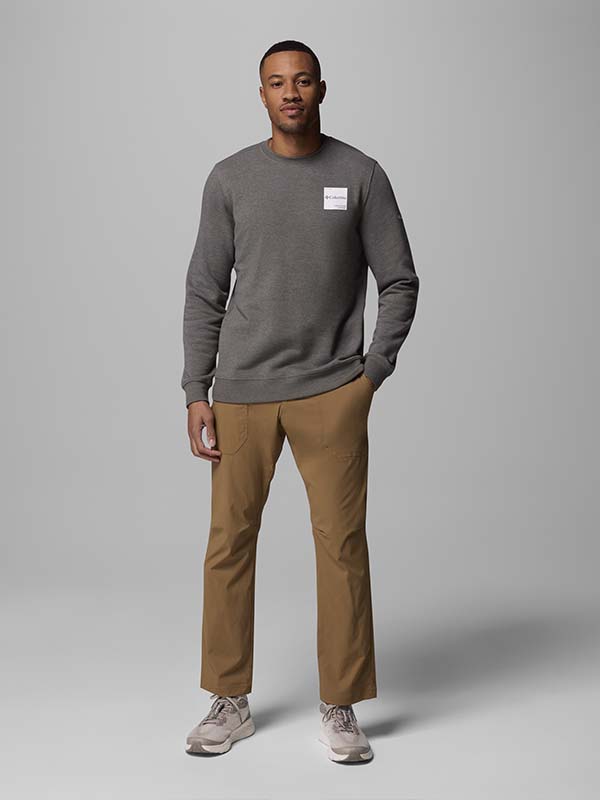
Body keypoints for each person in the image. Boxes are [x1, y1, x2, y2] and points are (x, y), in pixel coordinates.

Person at [183, 39, 420, 763]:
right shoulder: (230, 178)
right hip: (242, 393)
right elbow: (204, 290)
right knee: (229, 545)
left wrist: (369, 377)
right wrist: (197, 390)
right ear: (261, 95)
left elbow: (399, 280)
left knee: (342, 547)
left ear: (321, 88)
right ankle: (229, 701)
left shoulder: (360, 174)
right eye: (277, 82)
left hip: (331, 391)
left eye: (303, 80)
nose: (291, 92)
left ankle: (339, 705)